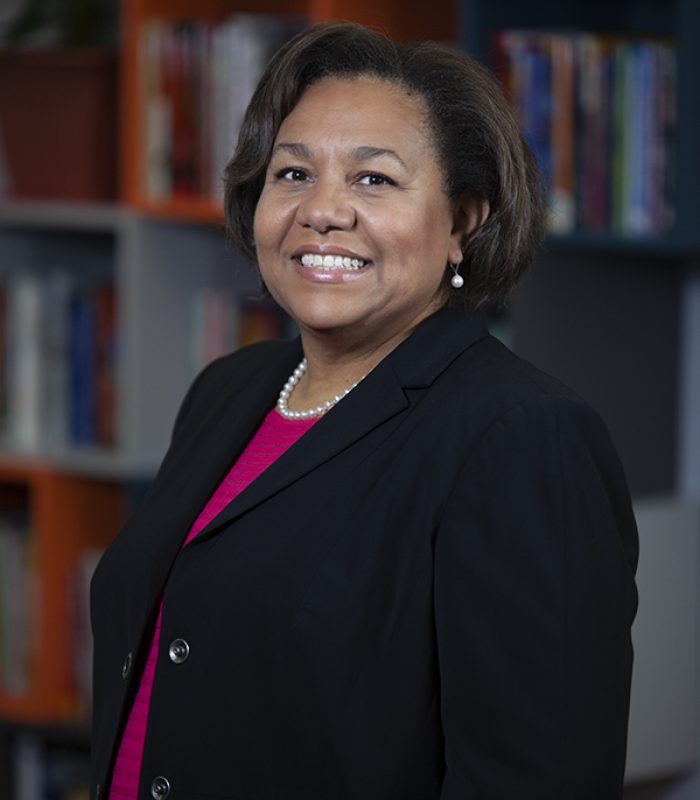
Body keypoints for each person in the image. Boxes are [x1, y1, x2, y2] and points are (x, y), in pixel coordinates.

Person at [90, 22, 638, 800]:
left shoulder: (523, 437)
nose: (322, 212)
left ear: (465, 222)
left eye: (374, 180)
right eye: (291, 174)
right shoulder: (229, 389)